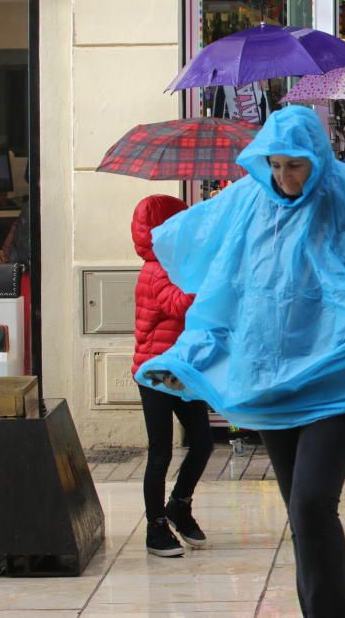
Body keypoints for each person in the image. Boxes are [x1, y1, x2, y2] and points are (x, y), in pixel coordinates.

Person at [136, 106, 345, 617]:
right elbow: (222, 291)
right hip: (272, 380)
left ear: (318, 158)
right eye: (275, 165)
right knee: (302, 514)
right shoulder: (248, 202)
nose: (283, 178)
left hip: (343, 378)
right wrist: (188, 357)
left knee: (311, 504)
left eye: (295, 165)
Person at [131, 195, 212, 557]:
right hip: (157, 371)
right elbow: (177, 304)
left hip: (179, 368)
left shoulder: (175, 263)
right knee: (161, 451)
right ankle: (155, 527)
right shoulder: (157, 267)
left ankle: (179, 503)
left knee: (203, 442)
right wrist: (210, 284)